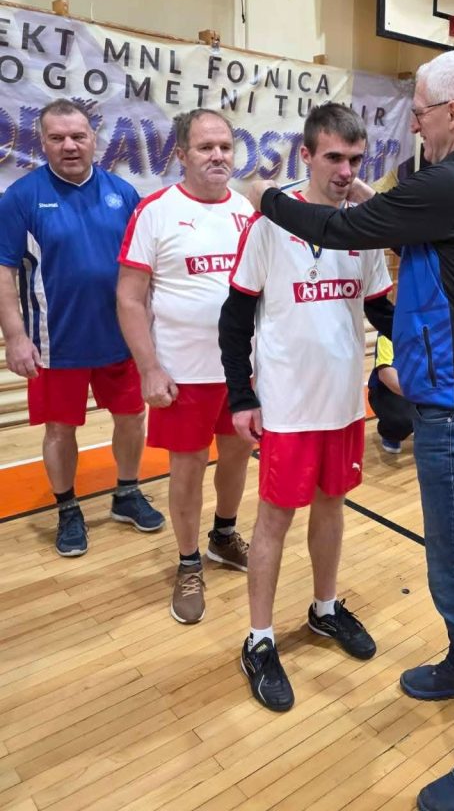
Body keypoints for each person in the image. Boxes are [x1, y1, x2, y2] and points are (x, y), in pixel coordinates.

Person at [245, 52, 454, 811]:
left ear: (452, 114)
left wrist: (264, 197)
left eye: (421, 111)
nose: (414, 124)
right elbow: (401, 231)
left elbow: (344, 228)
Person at [219, 103, 393, 713]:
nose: (346, 171)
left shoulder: (364, 226)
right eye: (334, 158)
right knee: (274, 520)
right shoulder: (270, 223)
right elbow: (236, 316)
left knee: (332, 507)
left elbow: (381, 309)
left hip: (343, 403)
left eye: (355, 159)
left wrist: (431, 351)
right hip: (287, 406)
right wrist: (241, 395)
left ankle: (323, 608)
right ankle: (259, 638)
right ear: (307, 155)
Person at [0, 99, 163, 557]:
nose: (69, 145)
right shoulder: (20, 197)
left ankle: (127, 493)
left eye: (78, 136)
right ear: (42, 143)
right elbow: (3, 271)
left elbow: (145, 267)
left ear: (94, 139)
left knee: (132, 418)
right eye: (57, 138)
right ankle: (68, 507)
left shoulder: (123, 193)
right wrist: (15, 337)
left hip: (121, 338)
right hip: (55, 344)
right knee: (59, 430)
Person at [117, 109, 253, 625]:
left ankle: (223, 536)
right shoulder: (155, 211)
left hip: (241, 371)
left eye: (225, 146)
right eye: (205, 147)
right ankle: (189, 561)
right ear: (181, 154)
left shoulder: (246, 210)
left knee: (237, 456)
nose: (218, 156)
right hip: (184, 374)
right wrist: (149, 368)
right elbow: (129, 298)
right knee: (188, 467)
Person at [367, 333, 413, 454]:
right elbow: (386, 374)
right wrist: (420, 397)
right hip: (387, 389)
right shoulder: (388, 331)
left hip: (417, 385)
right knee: (405, 419)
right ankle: (390, 433)